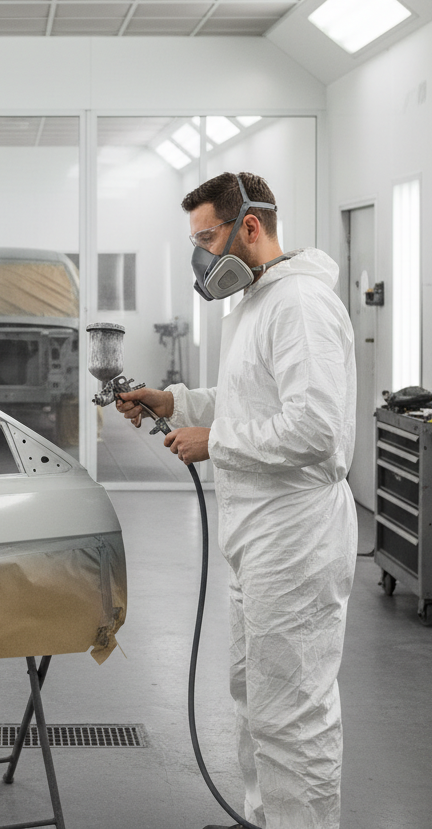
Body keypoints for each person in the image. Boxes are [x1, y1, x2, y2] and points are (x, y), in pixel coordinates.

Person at [117, 171, 357, 829]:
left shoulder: (301, 306)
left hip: (296, 535)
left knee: (293, 711)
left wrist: (215, 442)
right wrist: (178, 404)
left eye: (205, 238)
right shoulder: (255, 303)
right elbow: (252, 402)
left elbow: (316, 429)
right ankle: (266, 819)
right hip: (257, 533)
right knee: (257, 699)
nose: (200, 256)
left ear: (249, 226)